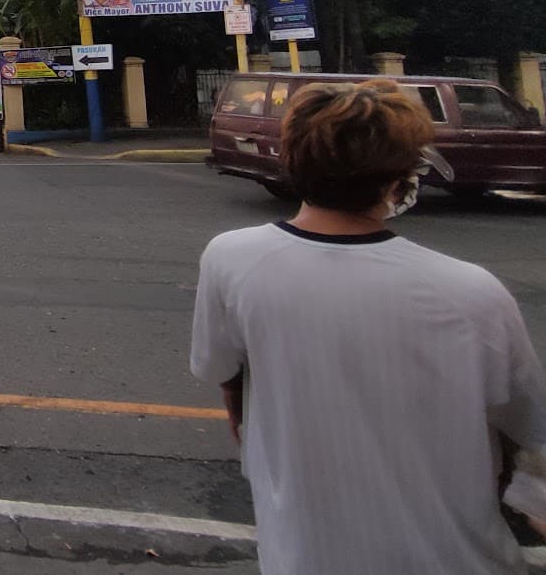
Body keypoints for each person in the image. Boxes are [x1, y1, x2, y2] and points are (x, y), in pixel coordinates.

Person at [191, 79, 546, 575]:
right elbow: (530, 434)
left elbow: (227, 376)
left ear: (292, 159)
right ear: (400, 175)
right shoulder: (473, 292)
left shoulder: (231, 259)